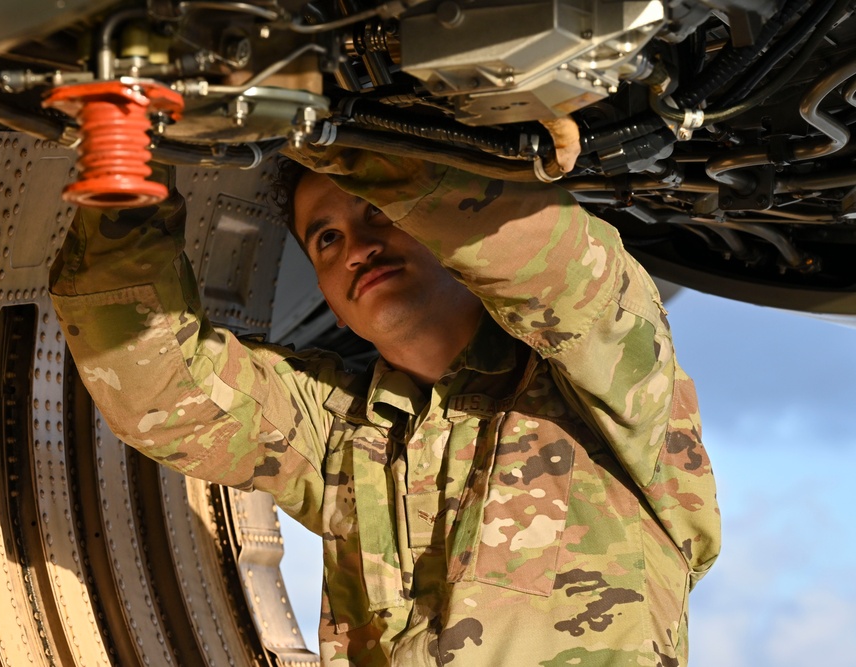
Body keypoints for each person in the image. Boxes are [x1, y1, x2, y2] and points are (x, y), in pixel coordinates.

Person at [49, 145, 720, 666]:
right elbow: (161, 389)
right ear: (329, 301)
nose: (359, 246)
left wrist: (329, 132)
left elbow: (553, 260)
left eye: (377, 212)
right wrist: (130, 165)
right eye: (327, 238)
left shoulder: (604, 389)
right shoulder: (345, 436)